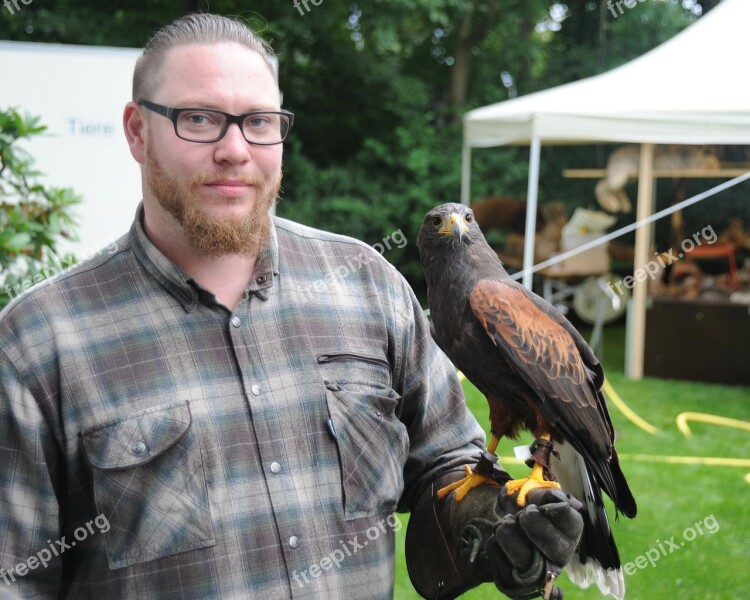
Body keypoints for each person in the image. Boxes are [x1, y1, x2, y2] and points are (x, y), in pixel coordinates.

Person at [0, 13, 583, 599]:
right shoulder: (37, 343)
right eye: (198, 119)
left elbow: (446, 462)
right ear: (137, 131)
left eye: (258, 122)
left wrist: (492, 525)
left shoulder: (369, 286)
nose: (234, 150)